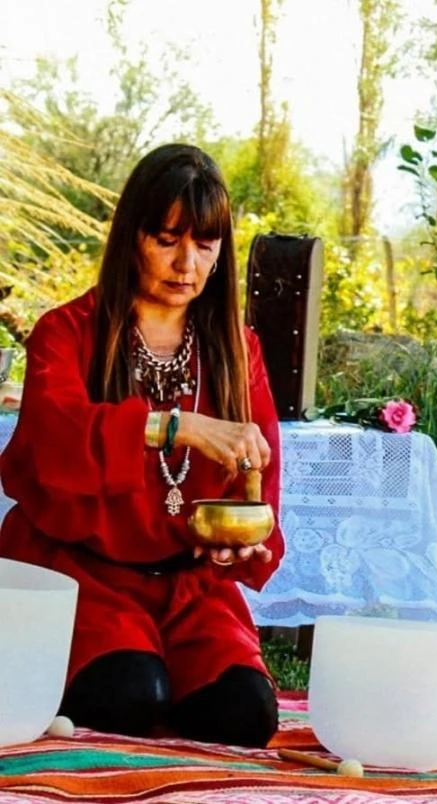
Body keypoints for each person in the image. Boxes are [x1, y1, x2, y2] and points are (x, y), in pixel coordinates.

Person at [0, 143, 284, 747]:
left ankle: (168, 676)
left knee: (246, 716)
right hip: (83, 576)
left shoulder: (238, 348)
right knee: (131, 694)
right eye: (166, 239)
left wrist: (243, 546)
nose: (187, 263)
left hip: (190, 589)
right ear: (132, 235)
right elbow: (52, 443)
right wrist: (178, 425)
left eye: (204, 245)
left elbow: (259, 478)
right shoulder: (67, 332)